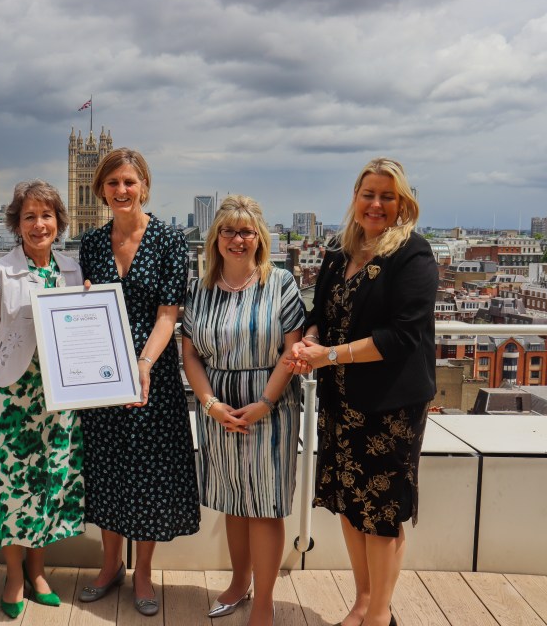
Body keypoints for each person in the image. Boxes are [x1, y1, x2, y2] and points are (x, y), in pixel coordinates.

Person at [288, 158, 437, 626]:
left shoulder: (412, 255)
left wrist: (328, 357)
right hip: (343, 401)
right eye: (368, 194)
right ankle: (362, 602)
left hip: (389, 406)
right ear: (355, 198)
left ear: (402, 204)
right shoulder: (340, 252)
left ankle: (379, 615)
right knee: (352, 506)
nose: (376, 204)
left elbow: (402, 337)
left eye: (387, 196)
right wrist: (312, 336)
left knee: (382, 512)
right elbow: (322, 314)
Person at [78, 147, 200, 617]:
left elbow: (170, 314)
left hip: (153, 373)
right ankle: (111, 566)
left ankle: (143, 571)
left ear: (143, 185)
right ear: (101, 190)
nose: (121, 190)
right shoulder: (90, 244)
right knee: (108, 467)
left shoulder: (170, 240)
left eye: (129, 182)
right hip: (102, 373)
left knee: (149, 474)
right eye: (112, 183)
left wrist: (144, 364)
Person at [182, 195, 304, 626]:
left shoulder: (281, 282)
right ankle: (239, 583)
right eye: (229, 231)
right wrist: (211, 404)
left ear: (259, 238)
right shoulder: (200, 288)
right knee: (234, 499)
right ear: (215, 239)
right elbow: (191, 354)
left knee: (265, 505)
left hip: (270, 404)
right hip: (219, 406)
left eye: (246, 231)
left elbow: (293, 352)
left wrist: (265, 403)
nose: (237, 239)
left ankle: (265, 602)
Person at [0, 180, 85, 618]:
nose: (39, 224)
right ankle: (15, 576)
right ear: (17, 224)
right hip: (12, 399)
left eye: (47, 215)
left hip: (60, 402)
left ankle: (39, 571)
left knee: (51, 485)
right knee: (12, 489)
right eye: (30, 216)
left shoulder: (73, 270)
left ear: (59, 221)